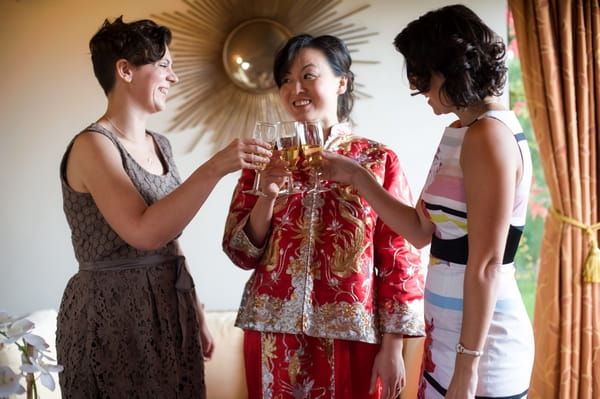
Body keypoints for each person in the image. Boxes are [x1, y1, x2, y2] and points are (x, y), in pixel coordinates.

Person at [321, 4, 535, 399]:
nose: (415, 88)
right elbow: (421, 231)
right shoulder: (460, 130)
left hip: (482, 350)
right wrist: (358, 178)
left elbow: (486, 264)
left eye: (421, 76)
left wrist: (466, 372)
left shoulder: (489, 137)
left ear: (450, 68)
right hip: (448, 337)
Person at [56, 16, 271, 398]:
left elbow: (169, 236)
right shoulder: (93, 145)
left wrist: (196, 308)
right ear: (125, 70)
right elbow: (144, 232)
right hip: (113, 315)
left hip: (171, 309)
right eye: (164, 65)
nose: (174, 78)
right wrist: (216, 166)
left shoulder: (161, 144)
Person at [222, 34, 425, 399]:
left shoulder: (377, 160)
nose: (294, 88)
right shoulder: (263, 161)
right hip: (271, 332)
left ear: (341, 81)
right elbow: (240, 253)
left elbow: (401, 258)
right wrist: (266, 197)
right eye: (285, 79)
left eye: (307, 75)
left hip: (353, 335)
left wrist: (393, 348)